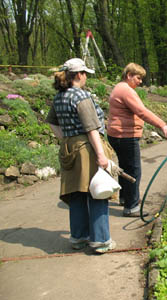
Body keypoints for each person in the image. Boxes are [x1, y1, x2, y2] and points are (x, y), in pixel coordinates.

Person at [46, 58, 116, 254]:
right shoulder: (81, 96)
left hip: (69, 148)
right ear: (79, 75)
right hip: (87, 148)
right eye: (85, 73)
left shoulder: (59, 96)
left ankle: (78, 237)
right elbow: (92, 129)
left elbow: (51, 122)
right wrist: (101, 156)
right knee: (98, 192)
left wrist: (65, 138)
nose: (86, 77)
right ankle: (101, 241)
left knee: (76, 193)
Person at [107, 63, 167, 217]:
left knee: (124, 168)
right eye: (138, 78)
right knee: (133, 170)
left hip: (116, 135)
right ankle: (132, 207)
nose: (140, 81)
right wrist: (162, 125)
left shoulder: (119, 88)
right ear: (129, 75)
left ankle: (125, 198)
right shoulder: (126, 90)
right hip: (125, 136)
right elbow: (141, 111)